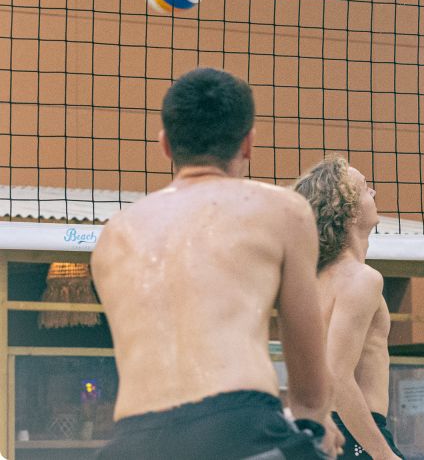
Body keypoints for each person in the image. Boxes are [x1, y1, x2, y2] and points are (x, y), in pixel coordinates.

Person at [91, 67, 341, 460]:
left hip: (132, 443)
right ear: (247, 144)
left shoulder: (114, 234)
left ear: (165, 145)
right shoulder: (282, 210)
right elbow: (308, 384)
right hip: (236, 429)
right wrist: (316, 421)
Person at [294, 156, 405, 460]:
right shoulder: (361, 279)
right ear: (350, 209)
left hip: (320, 431)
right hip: (353, 436)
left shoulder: (312, 278)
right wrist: (384, 455)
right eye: (367, 188)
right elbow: (336, 376)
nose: (374, 194)